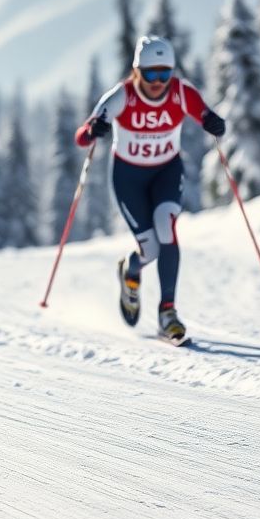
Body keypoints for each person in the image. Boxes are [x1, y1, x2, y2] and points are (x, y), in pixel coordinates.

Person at [76, 35, 225, 344]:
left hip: (166, 172)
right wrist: (93, 130)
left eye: (164, 73)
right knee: (151, 249)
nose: (158, 82)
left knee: (167, 229)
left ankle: (167, 313)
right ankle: (131, 270)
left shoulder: (181, 93)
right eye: (150, 73)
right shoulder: (122, 96)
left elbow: (206, 115)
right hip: (128, 179)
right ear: (136, 71)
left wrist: (213, 122)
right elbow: (81, 137)